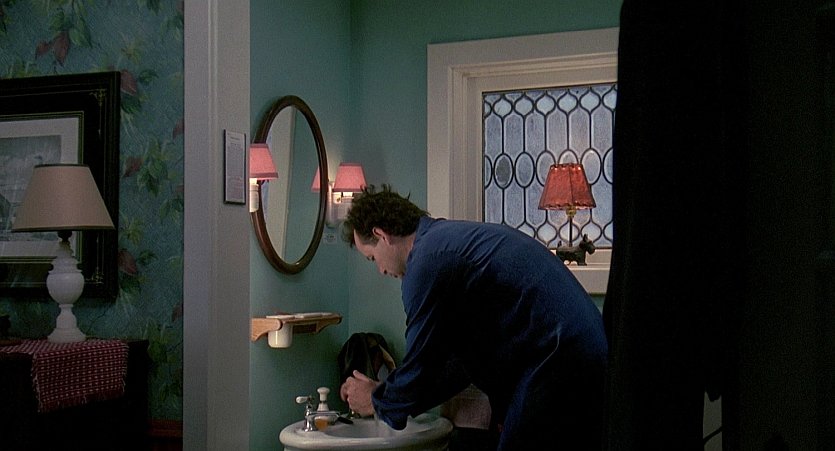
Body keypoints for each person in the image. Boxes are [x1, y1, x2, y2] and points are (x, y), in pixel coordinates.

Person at [339, 185, 607, 450]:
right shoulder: (445, 242)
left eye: (372, 258)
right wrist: (385, 395)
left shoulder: (427, 262)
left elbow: (422, 362)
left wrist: (376, 400)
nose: (381, 270)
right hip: (581, 350)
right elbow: (454, 366)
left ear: (381, 235)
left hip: (557, 356)